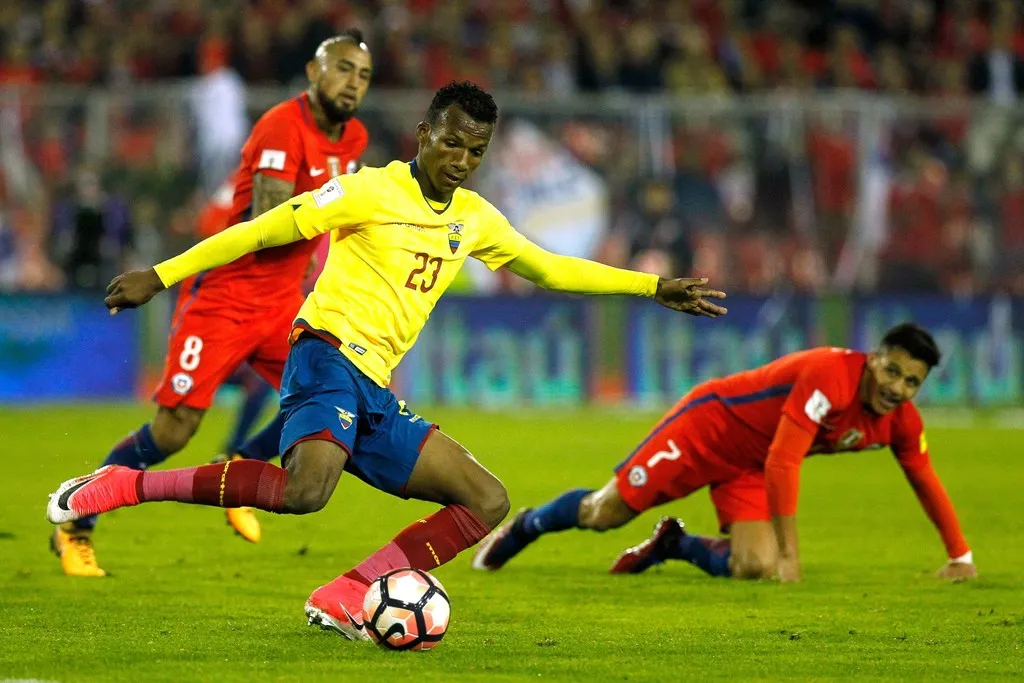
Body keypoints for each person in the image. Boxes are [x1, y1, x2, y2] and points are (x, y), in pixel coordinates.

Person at [46, 81, 727, 642]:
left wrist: (652, 286)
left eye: (476, 150)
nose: (461, 158)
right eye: (452, 141)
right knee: (308, 490)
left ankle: (346, 590)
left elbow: (550, 268)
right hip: (324, 354)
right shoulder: (367, 191)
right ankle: (121, 485)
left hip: (373, 385)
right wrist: (161, 275)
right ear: (426, 132)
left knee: (486, 498)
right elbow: (260, 228)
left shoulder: (476, 219)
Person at [49, 31, 374, 576]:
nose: (352, 83)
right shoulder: (281, 126)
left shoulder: (355, 137)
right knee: (174, 431)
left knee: (333, 392)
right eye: (342, 69)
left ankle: (242, 464)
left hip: (282, 303)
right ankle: (76, 523)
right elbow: (272, 220)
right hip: (225, 298)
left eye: (363, 75)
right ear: (314, 73)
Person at [472, 323, 978, 583]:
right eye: (893, 371)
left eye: (913, 381)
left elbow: (924, 478)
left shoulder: (901, 422)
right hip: (707, 429)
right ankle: (527, 525)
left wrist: (961, 556)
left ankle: (673, 545)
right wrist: (792, 556)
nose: (899, 387)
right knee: (604, 514)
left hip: (753, 465)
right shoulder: (831, 375)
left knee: (752, 568)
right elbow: (785, 460)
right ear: (874, 359)